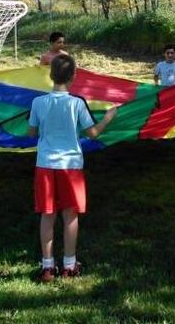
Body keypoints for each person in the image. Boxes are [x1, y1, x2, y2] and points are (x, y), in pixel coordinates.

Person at [28, 55, 117, 282]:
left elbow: (31, 133)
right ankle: (69, 265)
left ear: (50, 75)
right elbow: (92, 133)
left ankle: (47, 267)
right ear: (74, 77)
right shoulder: (77, 103)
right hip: (71, 166)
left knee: (47, 215)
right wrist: (108, 118)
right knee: (70, 215)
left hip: (45, 165)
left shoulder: (38, 103)